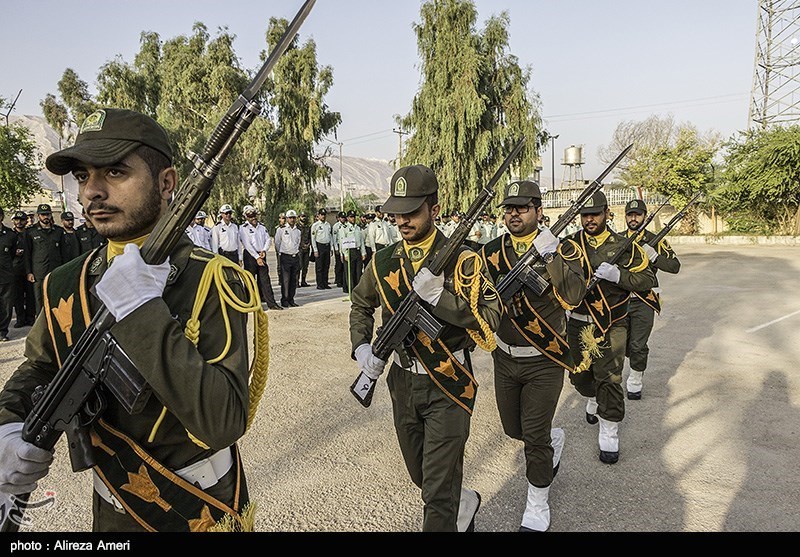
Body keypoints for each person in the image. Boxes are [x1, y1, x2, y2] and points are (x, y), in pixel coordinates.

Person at [0, 107, 264, 531]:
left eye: (115, 173)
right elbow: (40, 367)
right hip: (112, 510)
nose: (92, 192)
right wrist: (7, 425)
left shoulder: (210, 276)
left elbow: (223, 421)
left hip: (195, 508)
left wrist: (143, 312)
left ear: (167, 183)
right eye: (84, 176)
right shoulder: (65, 282)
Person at [349, 164, 502, 532]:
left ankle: (448, 507)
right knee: (423, 475)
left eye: (411, 211)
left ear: (434, 209)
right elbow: (360, 303)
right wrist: (361, 348)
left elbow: (492, 318)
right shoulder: (383, 260)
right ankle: (461, 502)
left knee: (435, 494)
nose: (401, 220)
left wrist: (441, 298)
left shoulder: (463, 259)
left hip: (448, 382)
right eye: (396, 212)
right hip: (402, 382)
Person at [480, 180, 586, 531]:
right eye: (509, 208)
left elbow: (574, 295)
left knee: (534, 436)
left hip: (544, 358)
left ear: (539, 212)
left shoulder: (562, 248)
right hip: (505, 357)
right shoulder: (491, 252)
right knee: (515, 429)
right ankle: (553, 441)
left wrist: (551, 255)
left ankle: (537, 504)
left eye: (522, 207)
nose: (513, 213)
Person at [561, 190, 655, 464]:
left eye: (595, 214)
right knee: (580, 377)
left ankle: (610, 428)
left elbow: (647, 279)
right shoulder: (570, 245)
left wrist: (619, 276)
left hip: (611, 323)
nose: (589, 220)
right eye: (585, 215)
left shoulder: (624, 246)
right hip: (578, 323)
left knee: (610, 377)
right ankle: (591, 396)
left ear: (606, 214)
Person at [622, 199, 681, 400]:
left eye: (637, 214)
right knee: (621, 344)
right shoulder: (618, 239)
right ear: (625, 216)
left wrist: (655, 257)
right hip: (619, 300)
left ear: (645, 217)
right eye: (630, 214)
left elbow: (675, 266)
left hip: (643, 300)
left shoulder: (656, 240)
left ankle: (635, 379)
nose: (633, 218)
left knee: (638, 345)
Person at [24, 203, 66, 316]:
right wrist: (29, 272)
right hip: (39, 271)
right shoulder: (30, 232)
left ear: (51, 215)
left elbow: (64, 252)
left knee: (55, 297)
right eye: (43, 215)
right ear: (38, 216)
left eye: (47, 214)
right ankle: (41, 322)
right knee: (39, 299)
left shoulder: (59, 231)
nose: (45, 217)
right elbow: (27, 254)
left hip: (55, 270)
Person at [240, 205, 282, 310]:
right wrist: (256, 257)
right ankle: (250, 303)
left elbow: (268, 239)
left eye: (254, 215)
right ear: (246, 217)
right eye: (250, 216)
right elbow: (247, 244)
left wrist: (264, 250)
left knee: (265, 280)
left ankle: (271, 303)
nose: (253, 218)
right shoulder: (243, 228)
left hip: (261, 254)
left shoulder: (262, 227)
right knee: (250, 280)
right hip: (250, 256)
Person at [10, 211, 35, 328]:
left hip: (29, 268)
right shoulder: (10, 234)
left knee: (30, 294)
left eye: (21, 220)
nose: (19, 222)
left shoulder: (30, 233)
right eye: (16, 220)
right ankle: (20, 319)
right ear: (13, 221)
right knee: (18, 296)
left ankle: (30, 318)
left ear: (26, 221)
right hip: (15, 269)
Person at [274, 209, 301, 307]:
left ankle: (291, 299)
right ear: (287, 219)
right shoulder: (281, 229)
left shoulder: (298, 231)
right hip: (285, 256)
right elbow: (277, 243)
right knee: (285, 280)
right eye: (290, 218)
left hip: (295, 256)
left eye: (294, 218)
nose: (292, 220)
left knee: (294, 280)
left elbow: (298, 243)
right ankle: (284, 300)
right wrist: (281, 252)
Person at [337, 210, 365, 294]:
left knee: (358, 272)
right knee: (350, 273)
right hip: (349, 251)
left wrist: (363, 252)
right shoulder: (344, 228)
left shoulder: (357, 227)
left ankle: (359, 290)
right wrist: (345, 253)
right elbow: (343, 241)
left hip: (357, 250)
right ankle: (351, 290)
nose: (353, 219)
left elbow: (361, 241)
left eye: (354, 217)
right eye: (351, 217)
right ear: (348, 218)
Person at [0, 208, 16, 341]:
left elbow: (12, 253)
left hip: (6, 275)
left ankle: (2, 331)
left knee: (6, 305)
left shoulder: (10, 234)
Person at [310, 208, 333, 290]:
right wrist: (315, 250)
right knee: (319, 267)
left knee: (326, 266)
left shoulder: (328, 225)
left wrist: (332, 248)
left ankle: (325, 283)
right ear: (318, 216)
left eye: (324, 215)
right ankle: (319, 284)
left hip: (327, 246)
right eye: (321, 215)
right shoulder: (315, 225)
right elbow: (313, 238)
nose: (323, 216)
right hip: (319, 246)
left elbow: (330, 237)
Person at [331, 211, 347, 288]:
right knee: (339, 264)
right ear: (339, 218)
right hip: (338, 245)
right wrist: (336, 248)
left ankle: (344, 280)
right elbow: (334, 238)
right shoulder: (336, 226)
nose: (343, 219)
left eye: (344, 218)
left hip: (346, 245)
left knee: (345, 264)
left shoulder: (347, 225)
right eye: (342, 218)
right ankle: (338, 280)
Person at [297, 212, 312, 288]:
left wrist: (308, 244)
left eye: (305, 216)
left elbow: (310, 237)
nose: (304, 218)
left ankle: (303, 280)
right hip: (299, 249)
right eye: (302, 216)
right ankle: (296, 282)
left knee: (305, 266)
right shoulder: (296, 227)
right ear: (299, 217)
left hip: (306, 248)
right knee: (299, 266)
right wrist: (301, 245)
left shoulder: (307, 227)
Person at [274, 212, 286, 286]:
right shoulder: (278, 229)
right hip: (280, 250)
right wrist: (278, 251)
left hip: (286, 250)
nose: (283, 220)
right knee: (279, 265)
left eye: (284, 218)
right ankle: (280, 279)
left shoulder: (288, 228)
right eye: (281, 218)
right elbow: (277, 241)